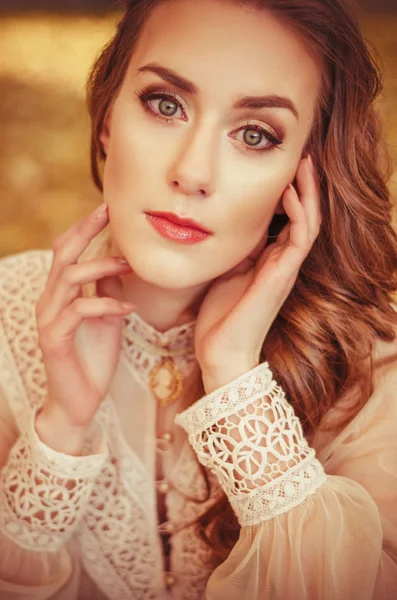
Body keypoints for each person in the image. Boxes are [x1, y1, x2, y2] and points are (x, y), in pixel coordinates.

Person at [0, 0, 396, 598]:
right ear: (107, 115)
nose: (193, 172)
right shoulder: (5, 316)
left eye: (255, 135)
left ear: (305, 173)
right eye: (166, 104)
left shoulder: (367, 361)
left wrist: (237, 380)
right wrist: (61, 428)